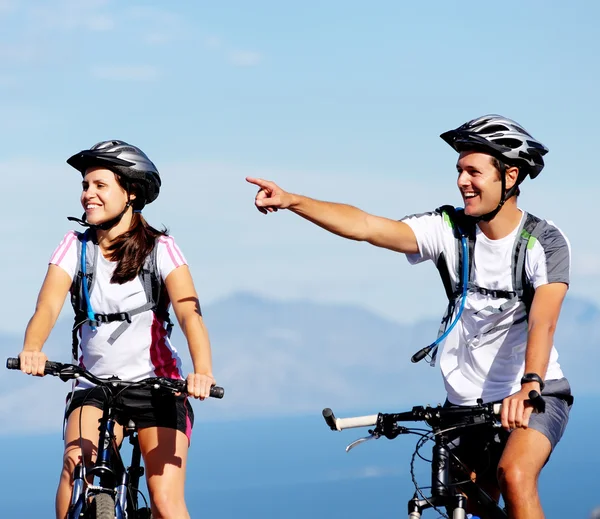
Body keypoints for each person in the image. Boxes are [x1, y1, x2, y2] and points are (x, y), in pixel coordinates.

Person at [246, 115, 572, 519]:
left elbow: (544, 321)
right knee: (465, 503)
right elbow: (366, 225)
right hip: (465, 403)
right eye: (459, 171)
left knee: (515, 476)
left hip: (533, 394)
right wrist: (294, 200)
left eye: (474, 171)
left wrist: (530, 385)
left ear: (510, 175)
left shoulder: (544, 242)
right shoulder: (449, 229)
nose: (462, 181)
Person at [18, 140, 215, 519]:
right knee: (75, 468)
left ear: (131, 192)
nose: (87, 195)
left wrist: (202, 372)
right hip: (92, 383)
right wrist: (33, 346)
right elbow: (46, 307)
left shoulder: (161, 248)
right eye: (85, 186)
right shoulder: (74, 247)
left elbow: (191, 315)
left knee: (164, 500)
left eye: (99, 186)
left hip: (157, 386)